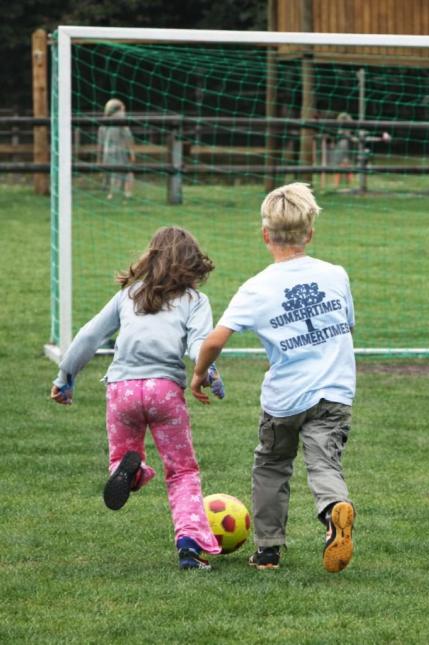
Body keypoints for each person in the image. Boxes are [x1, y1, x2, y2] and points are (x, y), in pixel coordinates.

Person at [190, 182, 357, 574]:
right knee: (323, 462)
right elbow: (348, 327)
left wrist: (199, 373)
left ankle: (268, 551)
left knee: (272, 465)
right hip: (335, 391)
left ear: (265, 235)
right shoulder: (336, 275)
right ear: (310, 233)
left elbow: (214, 340)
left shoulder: (257, 287)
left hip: (285, 398)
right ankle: (334, 509)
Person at [50, 226, 222, 570]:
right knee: (182, 471)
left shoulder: (128, 296)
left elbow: (89, 335)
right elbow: (199, 345)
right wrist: (209, 375)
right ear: (192, 264)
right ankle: (189, 545)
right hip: (164, 392)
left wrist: (65, 376)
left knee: (122, 456)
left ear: (151, 257)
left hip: (121, 391)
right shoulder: (195, 301)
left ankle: (133, 472)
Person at [97, 98, 135, 200]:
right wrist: (131, 152)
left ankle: (112, 193)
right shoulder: (121, 120)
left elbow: (100, 142)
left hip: (107, 152)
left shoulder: (103, 123)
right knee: (127, 172)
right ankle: (126, 193)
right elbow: (128, 137)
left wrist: (100, 157)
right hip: (120, 151)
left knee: (112, 173)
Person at [331, 112, 356, 188]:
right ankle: (338, 184)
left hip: (344, 146)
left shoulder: (345, 128)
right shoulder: (340, 128)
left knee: (345, 165)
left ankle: (347, 183)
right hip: (341, 146)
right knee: (342, 165)